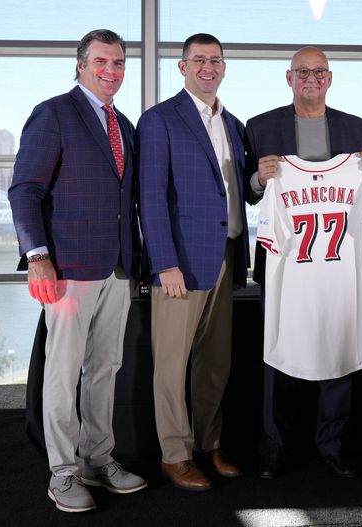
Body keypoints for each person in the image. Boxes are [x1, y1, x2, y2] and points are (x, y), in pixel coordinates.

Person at [8, 29, 146, 513]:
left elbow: (122, 201)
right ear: (81, 65)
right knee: (63, 374)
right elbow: (25, 189)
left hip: (117, 267)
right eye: (103, 61)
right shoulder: (54, 114)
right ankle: (62, 473)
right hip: (67, 267)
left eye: (120, 63)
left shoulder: (123, 124)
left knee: (104, 369)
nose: (113, 71)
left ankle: (97, 458)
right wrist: (38, 257)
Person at [245, 46, 362, 478]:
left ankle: (332, 442)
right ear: (289, 78)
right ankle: (277, 444)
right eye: (302, 71)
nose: (311, 78)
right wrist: (258, 178)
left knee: (337, 344)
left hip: (339, 261)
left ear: (330, 78)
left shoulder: (357, 127)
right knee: (279, 346)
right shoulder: (260, 127)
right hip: (285, 258)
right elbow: (246, 191)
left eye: (319, 71)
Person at [137, 33, 248, 492]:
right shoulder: (160, 120)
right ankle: (175, 454)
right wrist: (164, 263)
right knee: (172, 363)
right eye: (199, 60)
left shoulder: (234, 123)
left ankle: (209, 443)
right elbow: (151, 197)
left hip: (226, 254)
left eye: (216, 60)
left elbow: (239, 191)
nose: (208, 67)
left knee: (214, 362)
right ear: (182, 67)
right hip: (180, 262)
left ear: (224, 66)